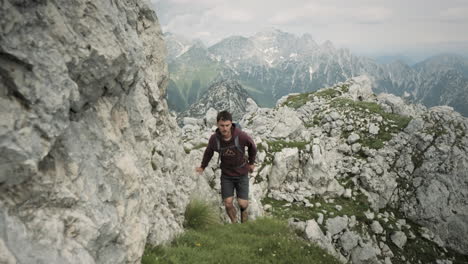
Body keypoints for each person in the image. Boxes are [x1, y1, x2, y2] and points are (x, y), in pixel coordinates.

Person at [196, 110, 257, 223]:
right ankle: (234, 224)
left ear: (231, 123)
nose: (224, 128)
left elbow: (252, 146)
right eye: (222, 125)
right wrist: (202, 167)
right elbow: (209, 152)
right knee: (228, 203)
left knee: (242, 203)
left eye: (227, 125)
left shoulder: (241, 136)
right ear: (217, 124)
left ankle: (244, 218)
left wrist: (252, 163)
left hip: (241, 173)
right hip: (227, 175)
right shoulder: (214, 139)